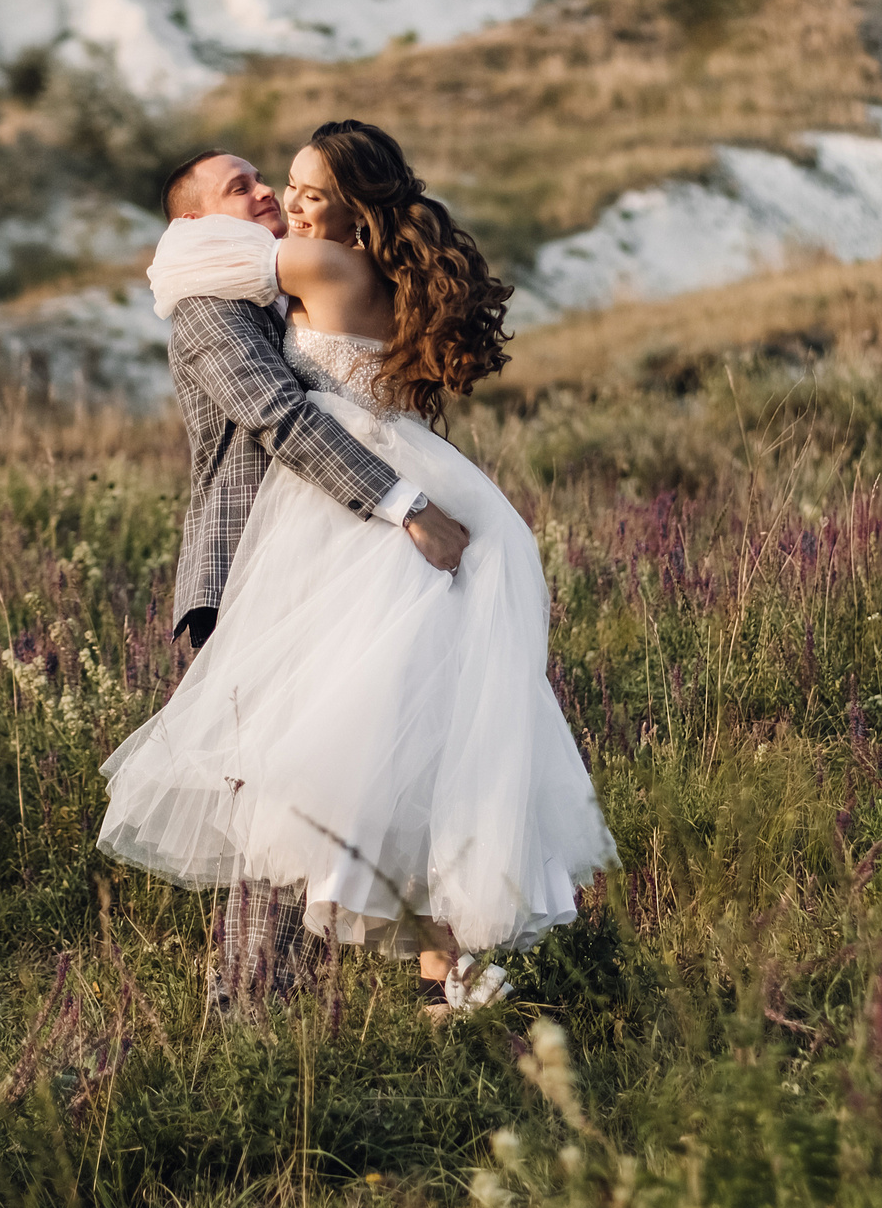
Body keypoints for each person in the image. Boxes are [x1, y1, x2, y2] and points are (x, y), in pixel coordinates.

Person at [98, 121, 615, 1014]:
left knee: (347, 770)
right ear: (197, 220)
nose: (268, 196)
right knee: (286, 785)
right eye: (245, 188)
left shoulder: (297, 270)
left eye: (281, 181)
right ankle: (283, 1007)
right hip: (268, 559)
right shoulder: (217, 303)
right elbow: (279, 416)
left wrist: (399, 511)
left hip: (340, 549)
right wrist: (405, 505)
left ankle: (304, 1005)